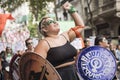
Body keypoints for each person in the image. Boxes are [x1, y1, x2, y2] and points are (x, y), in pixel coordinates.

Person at [34, 1, 85, 80]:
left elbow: (80, 26)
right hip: (59, 77)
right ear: (44, 29)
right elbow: (36, 68)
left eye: (55, 20)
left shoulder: (65, 36)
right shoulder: (43, 44)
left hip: (75, 74)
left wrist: (71, 10)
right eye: (51, 22)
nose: (55, 22)